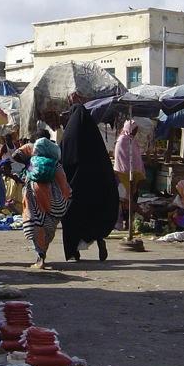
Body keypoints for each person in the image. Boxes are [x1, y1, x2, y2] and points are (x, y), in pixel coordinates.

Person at [60, 105, 120, 262]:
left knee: (72, 218)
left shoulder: (69, 136)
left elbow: (64, 161)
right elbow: (106, 167)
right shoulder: (94, 138)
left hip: (75, 187)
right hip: (96, 189)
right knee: (95, 215)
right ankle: (99, 238)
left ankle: (74, 251)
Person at [21, 138, 72, 269]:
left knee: (36, 226)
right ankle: (43, 255)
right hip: (52, 204)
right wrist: (66, 197)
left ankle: (40, 256)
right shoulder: (56, 165)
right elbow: (64, 186)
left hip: (35, 203)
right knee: (48, 229)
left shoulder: (32, 163)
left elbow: (27, 180)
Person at [114, 120, 145, 225]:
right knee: (123, 199)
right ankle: (120, 223)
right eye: (134, 130)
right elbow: (124, 159)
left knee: (129, 198)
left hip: (132, 174)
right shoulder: (123, 140)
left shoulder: (131, 140)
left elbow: (137, 158)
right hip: (123, 174)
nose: (135, 133)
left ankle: (129, 223)